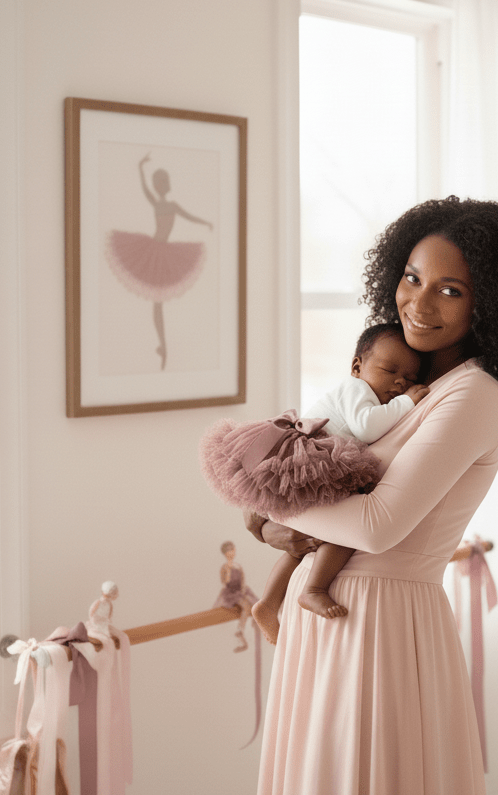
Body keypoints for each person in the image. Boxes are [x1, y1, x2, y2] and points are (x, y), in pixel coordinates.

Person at [244, 196, 498, 795]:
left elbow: (375, 524)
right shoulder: (411, 383)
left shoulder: (474, 395)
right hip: (330, 617)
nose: (421, 303)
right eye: (413, 278)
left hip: (381, 623)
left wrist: (271, 503)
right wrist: (288, 514)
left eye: (451, 289)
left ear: (492, 304)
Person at [201, 324, 430, 643]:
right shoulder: (357, 390)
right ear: (356, 367)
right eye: (390, 371)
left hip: (316, 461)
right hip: (312, 460)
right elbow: (366, 429)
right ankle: (313, 589)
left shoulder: (373, 397)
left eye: (408, 379)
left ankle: (268, 603)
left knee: (309, 542)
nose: (398, 382)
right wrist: (407, 402)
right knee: (345, 531)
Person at [105, 155, 213, 369]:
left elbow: (189, 216)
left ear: (165, 184)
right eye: (158, 183)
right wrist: (139, 167)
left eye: (162, 182)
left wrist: (205, 222)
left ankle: (163, 347)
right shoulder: (160, 204)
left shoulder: (169, 205)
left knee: (158, 303)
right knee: (157, 303)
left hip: (162, 253)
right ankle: (163, 347)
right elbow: (144, 189)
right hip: (155, 250)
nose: (159, 186)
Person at [212, 541, 259, 652]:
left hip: (240, 591)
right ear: (225, 554)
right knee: (246, 606)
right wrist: (228, 569)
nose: (231, 553)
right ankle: (240, 632)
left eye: (232, 550)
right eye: (228, 551)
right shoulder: (225, 567)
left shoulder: (238, 566)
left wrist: (243, 591)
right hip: (231, 593)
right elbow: (225, 582)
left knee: (254, 602)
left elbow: (242, 580)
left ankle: (253, 624)